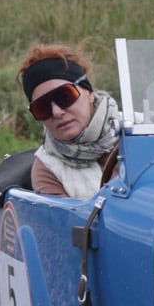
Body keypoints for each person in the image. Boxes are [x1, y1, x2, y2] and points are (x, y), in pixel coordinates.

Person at [17, 44, 120, 198]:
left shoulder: (142, 130)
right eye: (42, 107)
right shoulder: (47, 168)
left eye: (65, 96)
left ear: (89, 93)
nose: (57, 112)